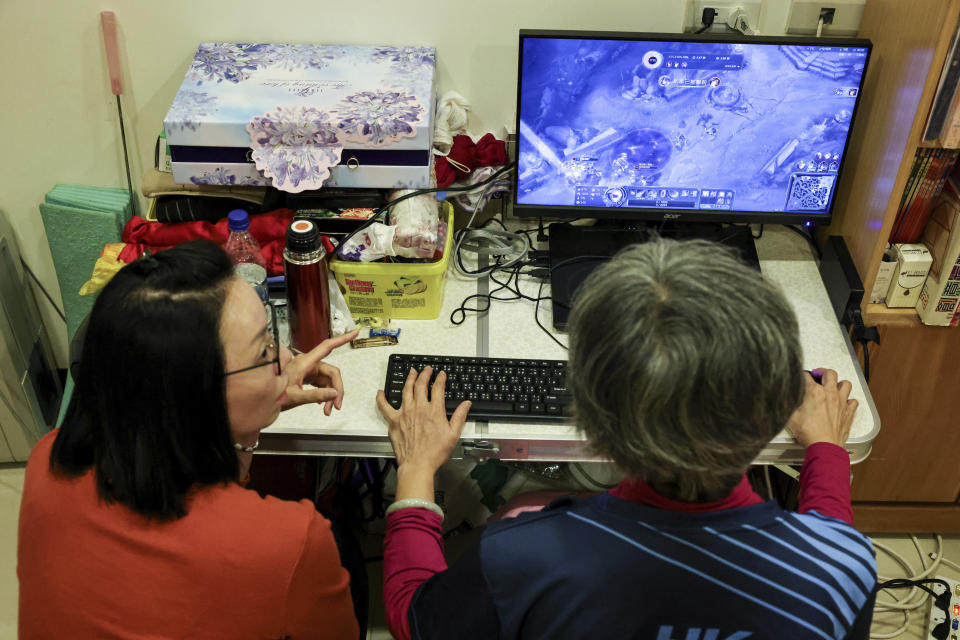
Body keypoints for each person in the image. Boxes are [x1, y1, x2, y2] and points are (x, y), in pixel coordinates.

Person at [377, 238, 877, 640]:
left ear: (591, 418)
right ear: (777, 406)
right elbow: (827, 545)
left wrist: (418, 471)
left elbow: (413, 616)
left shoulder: (519, 558)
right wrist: (827, 451)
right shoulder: (845, 570)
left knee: (520, 502)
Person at [18, 241, 361, 639]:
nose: (286, 359)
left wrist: (262, 397)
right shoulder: (291, 542)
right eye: (265, 350)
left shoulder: (47, 458)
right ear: (197, 398)